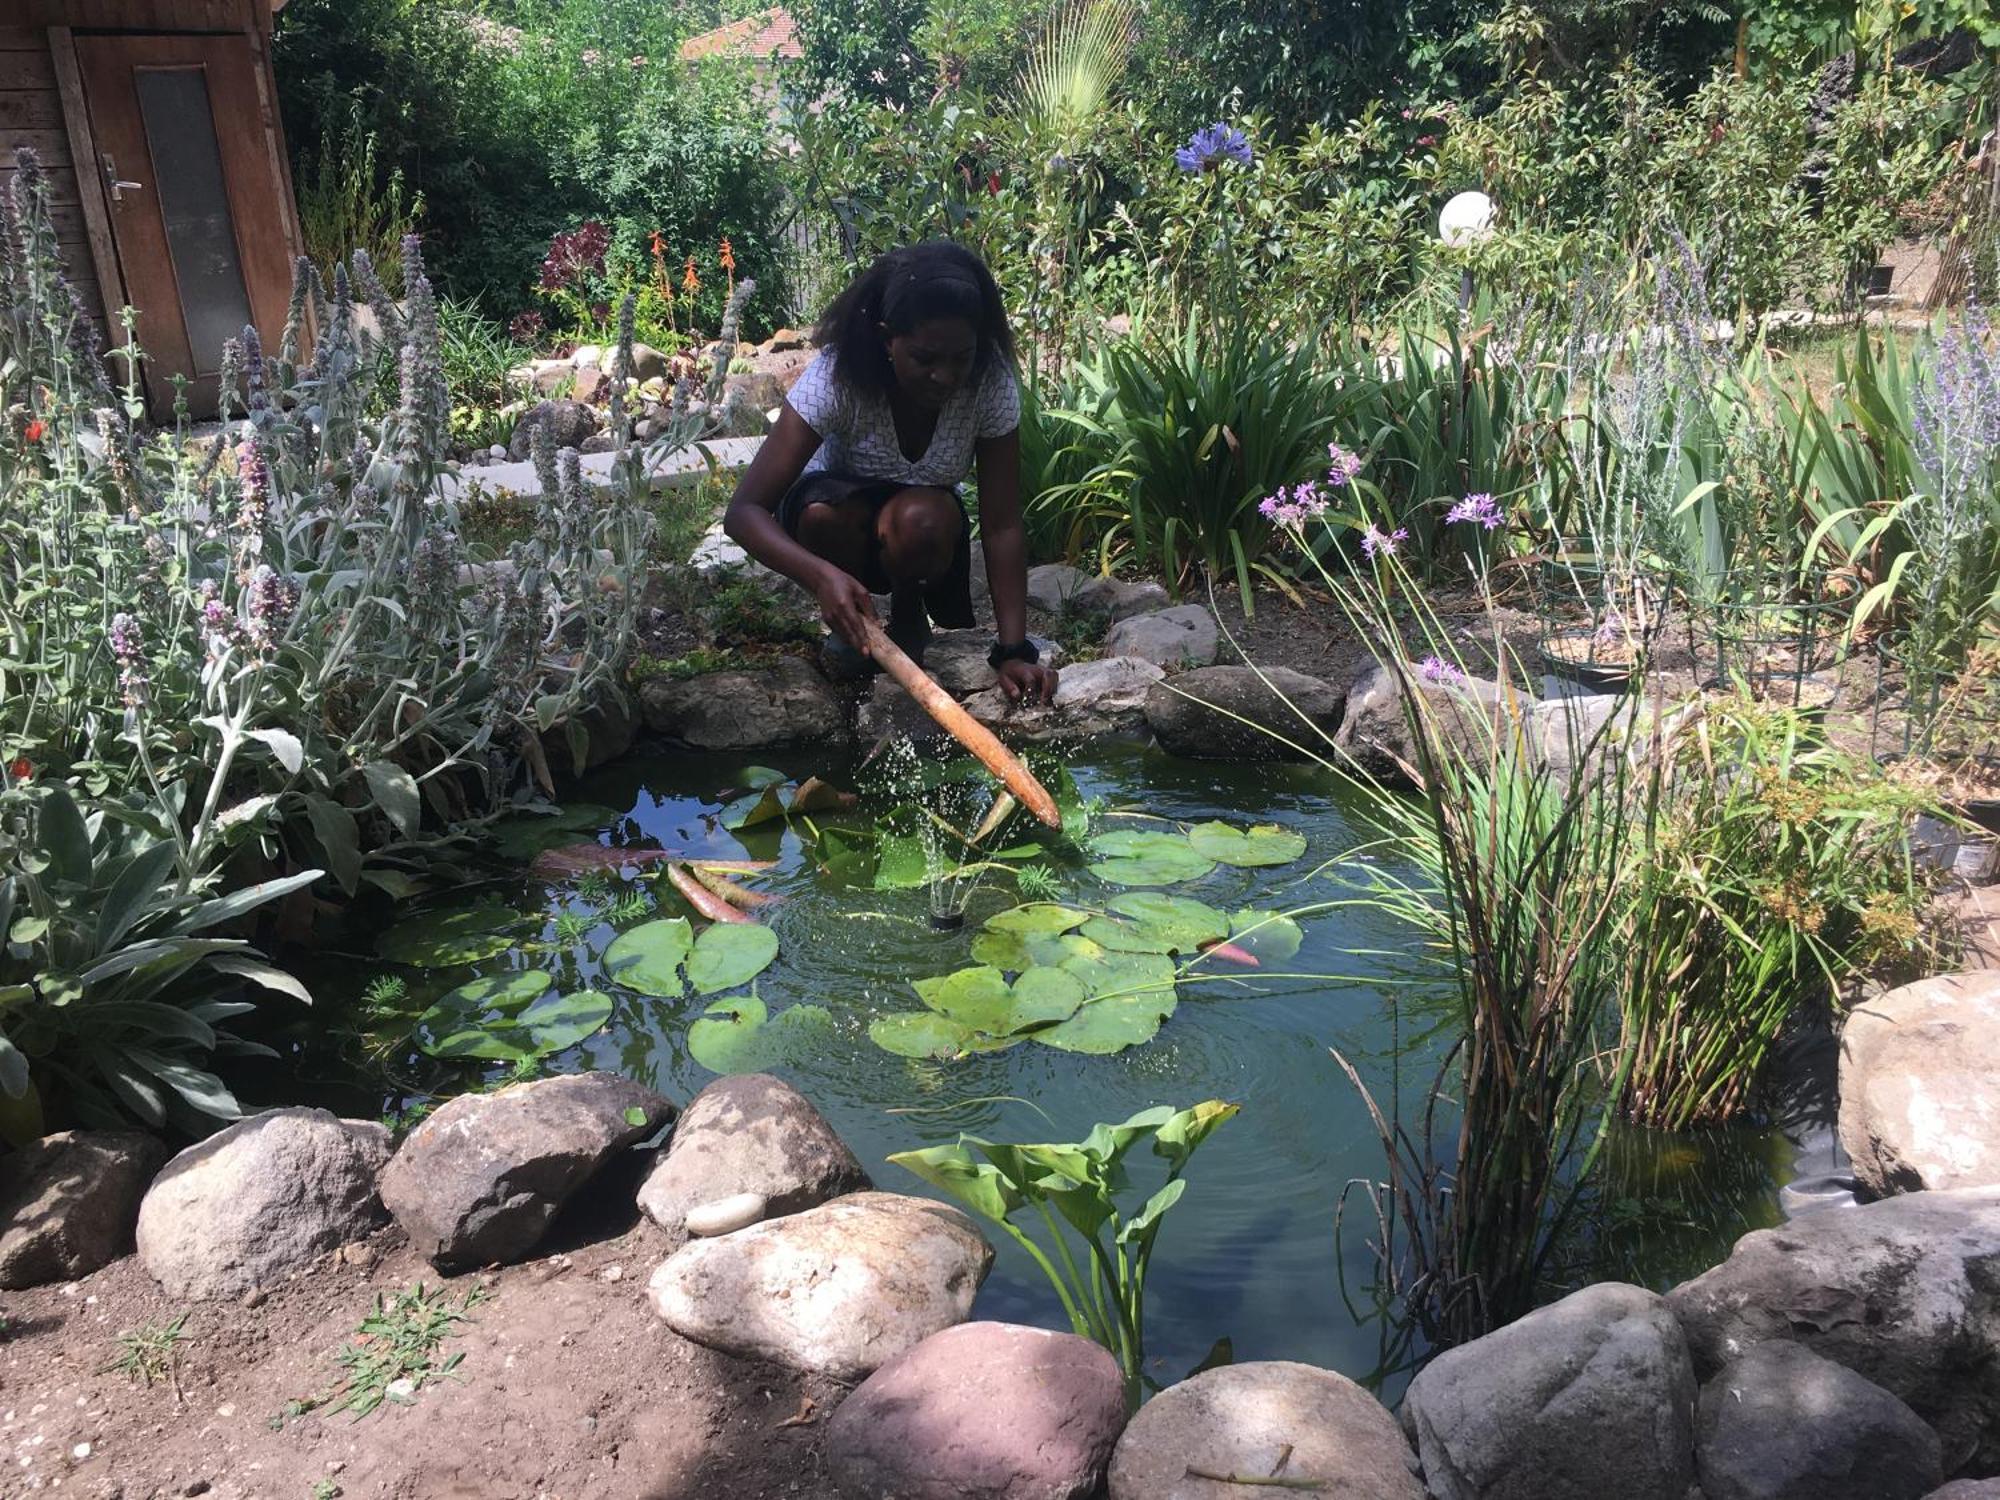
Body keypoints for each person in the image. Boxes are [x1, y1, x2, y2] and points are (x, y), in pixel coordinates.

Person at [722, 241, 1060, 705]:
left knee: (922, 519)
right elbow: (744, 511)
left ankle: (907, 610)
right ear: (887, 340)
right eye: (925, 359)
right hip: (837, 514)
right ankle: (851, 623)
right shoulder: (839, 375)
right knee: (822, 516)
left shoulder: (989, 381)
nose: (945, 376)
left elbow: (1001, 525)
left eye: (960, 357)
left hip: (921, 525)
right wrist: (820, 577)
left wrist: (1014, 650)